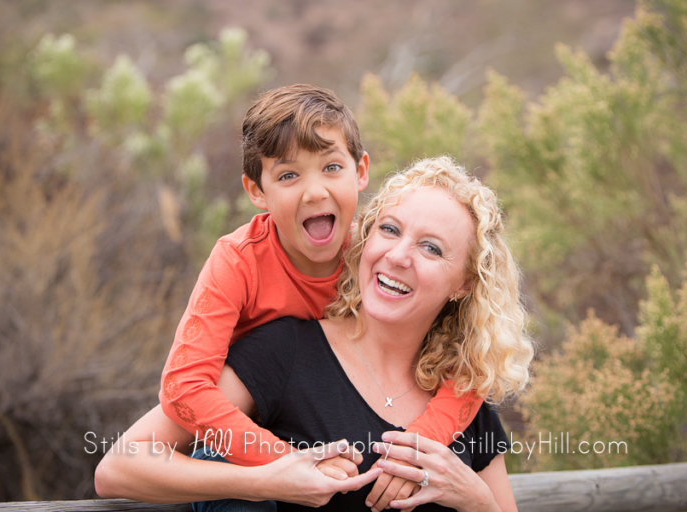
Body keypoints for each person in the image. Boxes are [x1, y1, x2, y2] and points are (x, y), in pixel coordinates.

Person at [95, 156, 534, 512]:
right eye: (390, 229)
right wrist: (263, 479)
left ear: (463, 284)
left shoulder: (464, 400)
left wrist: (476, 501)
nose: (398, 255)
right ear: (365, 239)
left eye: (431, 247)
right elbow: (120, 467)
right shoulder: (284, 353)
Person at [157, 84, 486, 507]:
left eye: (331, 167)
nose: (314, 192)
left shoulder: (375, 255)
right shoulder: (238, 262)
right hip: (237, 436)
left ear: (361, 170)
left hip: (323, 429)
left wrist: (419, 445)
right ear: (256, 191)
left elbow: (473, 358)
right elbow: (184, 386)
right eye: (289, 175)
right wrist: (285, 463)